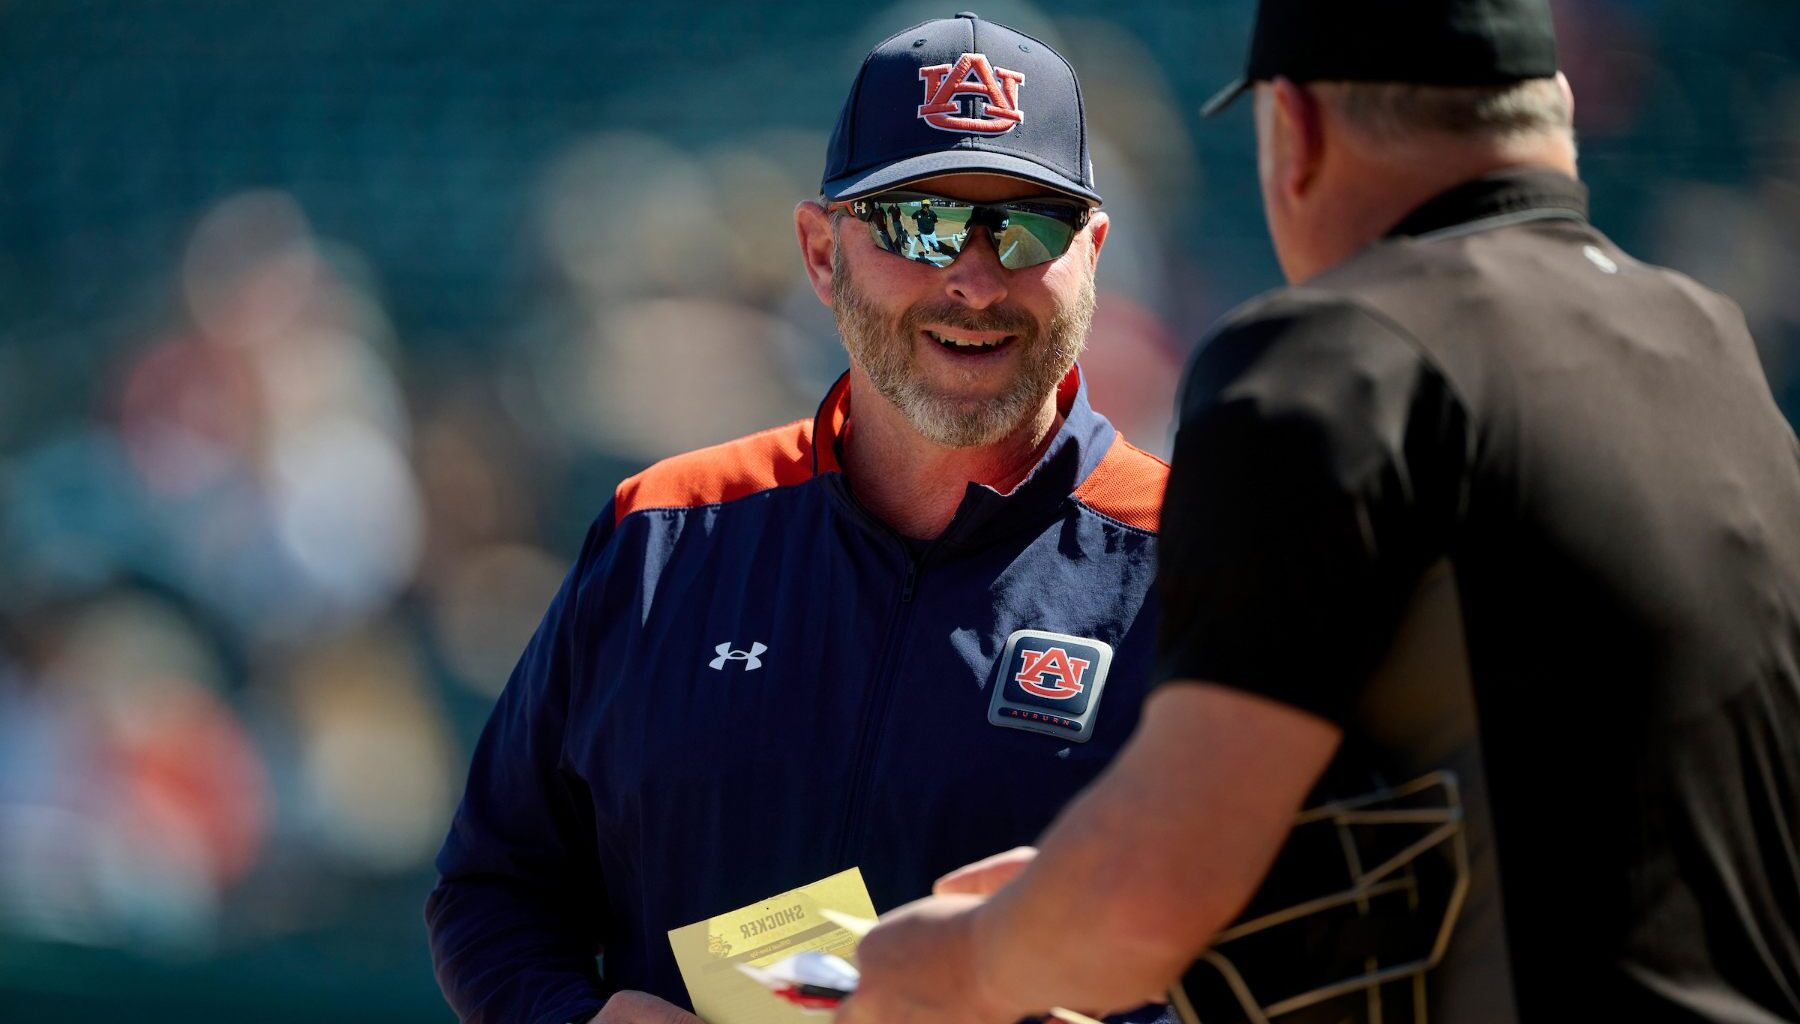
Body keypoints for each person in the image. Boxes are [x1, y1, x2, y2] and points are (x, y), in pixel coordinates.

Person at [841, 0, 1800, 1022]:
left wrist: (948, 966)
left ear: (1292, 130)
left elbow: (1140, 906)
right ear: (1553, 109)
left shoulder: (1339, 354)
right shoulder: (1712, 346)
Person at [425, 12, 1172, 1024]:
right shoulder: (667, 528)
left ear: (1092, 253)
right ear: (822, 255)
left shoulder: (1199, 558)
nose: (977, 275)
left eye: (1029, 224)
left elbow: (1316, 953)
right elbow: (493, 885)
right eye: (922, 223)